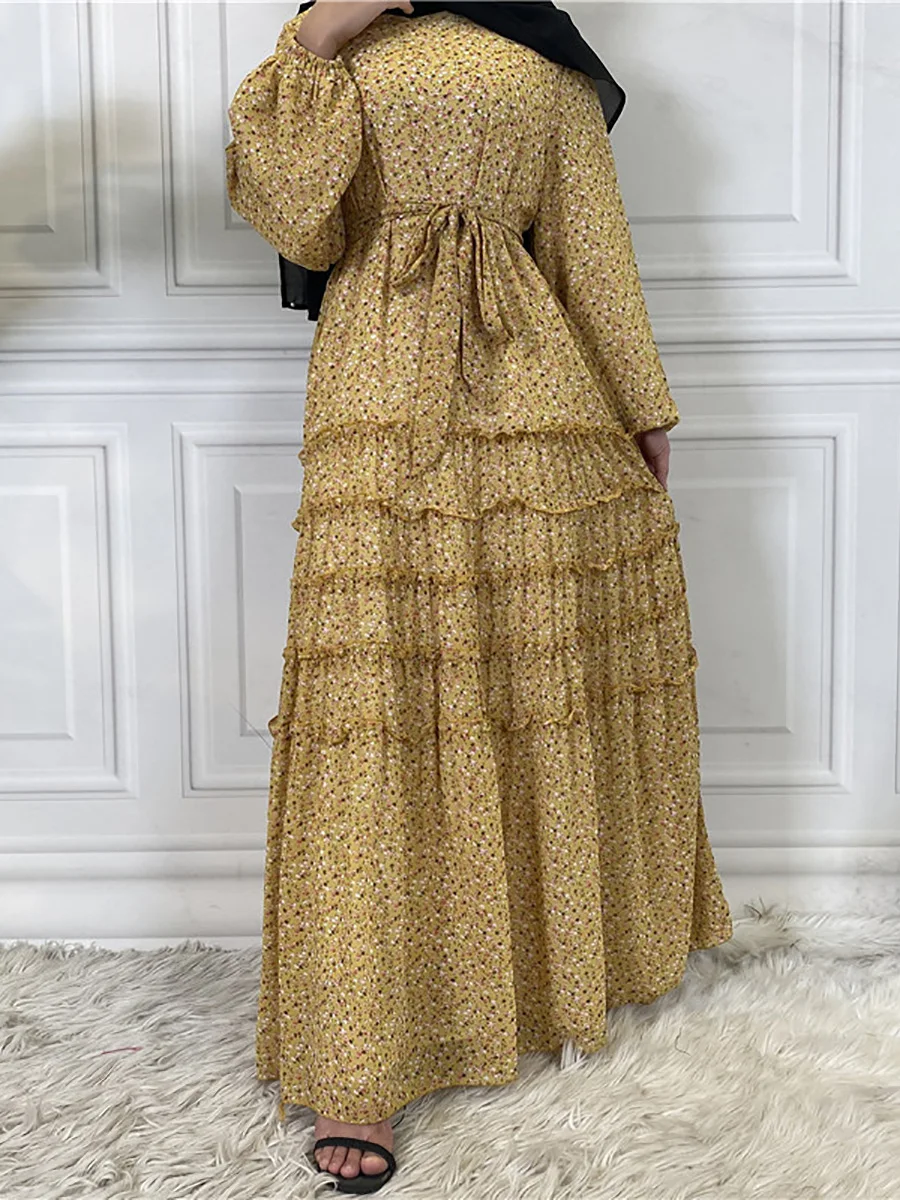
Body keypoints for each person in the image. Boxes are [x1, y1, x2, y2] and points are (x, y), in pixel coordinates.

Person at [226, 1, 734, 1192]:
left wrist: (642, 406)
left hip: (536, 399)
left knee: (528, 689)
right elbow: (294, 218)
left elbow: (591, 246)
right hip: (375, 392)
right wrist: (321, 36)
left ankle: (534, 976)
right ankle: (358, 1058)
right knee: (377, 715)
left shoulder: (544, 54)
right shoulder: (330, 47)